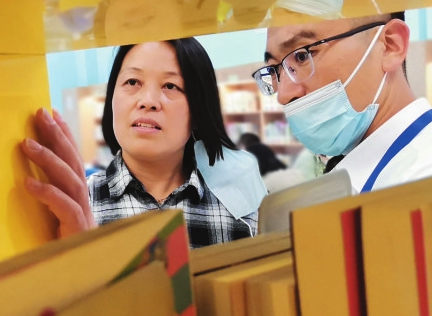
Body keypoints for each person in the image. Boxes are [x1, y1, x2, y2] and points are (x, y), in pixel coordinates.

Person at [22, 38, 265, 248]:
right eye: (132, 82)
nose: (148, 101)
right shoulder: (77, 206)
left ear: (199, 108)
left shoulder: (240, 206)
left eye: (171, 86)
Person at [254, 12, 432, 193]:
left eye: (301, 56)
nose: (283, 94)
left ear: (389, 46)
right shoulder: (353, 173)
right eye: (275, 70)